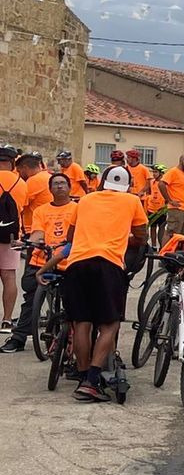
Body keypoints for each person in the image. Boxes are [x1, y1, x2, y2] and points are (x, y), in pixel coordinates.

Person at [58, 165, 148, 402]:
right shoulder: (132, 201)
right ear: (127, 186)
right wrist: (126, 237)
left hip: (77, 264)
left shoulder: (85, 200)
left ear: (102, 183)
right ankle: (93, 379)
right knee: (110, 324)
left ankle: (84, 375)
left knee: (82, 322)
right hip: (108, 264)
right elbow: (142, 235)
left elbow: (70, 236)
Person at [1, 169, 75, 354]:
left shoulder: (78, 208)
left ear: (69, 187)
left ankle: (71, 336)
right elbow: (37, 232)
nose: (59, 186)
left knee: (73, 300)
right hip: (42, 259)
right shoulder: (41, 211)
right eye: (55, 184)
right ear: (50, 189)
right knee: (31, 300)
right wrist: (32, 242)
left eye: (62, 183)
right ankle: (18, 338)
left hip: (69, 261)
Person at [0, 145, 27, 332]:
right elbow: (23, 207)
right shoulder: (21, 183)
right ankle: (7, 320)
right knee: (9, 277)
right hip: (11, 236)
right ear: (12, 163)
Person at [159, 156, 184, 237]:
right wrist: (169, 200)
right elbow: (161, 184)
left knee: (182, 234)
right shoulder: (173, 171)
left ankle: (177, 249)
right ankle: (166, 249)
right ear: (181, 161)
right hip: (176, 209)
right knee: (171, 233)